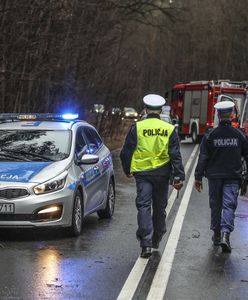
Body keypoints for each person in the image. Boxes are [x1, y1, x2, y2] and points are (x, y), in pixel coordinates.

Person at [120, 94, 185, 258]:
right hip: (162, 174)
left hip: (142, 174)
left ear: (146, 109)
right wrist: (178, 176)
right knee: (159, 207)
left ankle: (146, 244)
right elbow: (175, 155)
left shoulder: (138, 128)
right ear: (161, 110)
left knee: (143, 206)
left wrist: (127, 169)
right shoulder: (169, 129)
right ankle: (157, 237)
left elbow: (126, 152)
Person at [194, 100, 248, 253]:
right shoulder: (240, 135)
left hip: (214, 177)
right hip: (233, 177)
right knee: (229, 205)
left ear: (218, 114)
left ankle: (217, 234)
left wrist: (198, 177)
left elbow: (203, 157)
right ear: (232, 115)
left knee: (215, 205)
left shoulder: (210, 135)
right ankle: (226, 235)